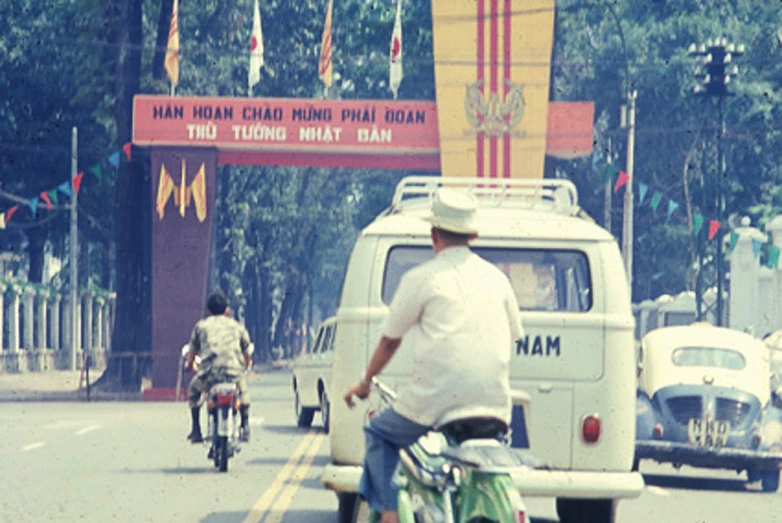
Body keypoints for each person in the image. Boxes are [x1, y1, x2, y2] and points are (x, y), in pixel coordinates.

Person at [343, 188, 524, 523]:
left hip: (435, 403)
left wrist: (366, 382)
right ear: (473, 235)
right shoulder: (498, 280)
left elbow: (389, 343)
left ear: (433, 234)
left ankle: (388, 514)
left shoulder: (422, 278)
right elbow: (513, 336)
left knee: (378, 435)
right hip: (495, 409)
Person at [185, 290, 253, 443]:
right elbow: (247, 352)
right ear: (227, 310)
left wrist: (189, 366)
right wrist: (246, 364)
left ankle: (196, 429)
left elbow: (192, 351)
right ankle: (245, 424)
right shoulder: (237, 327)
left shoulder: (201, 326)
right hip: (233, 373)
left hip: (209, 374)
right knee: (243, 393)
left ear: (208, 311)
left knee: (194, 390)